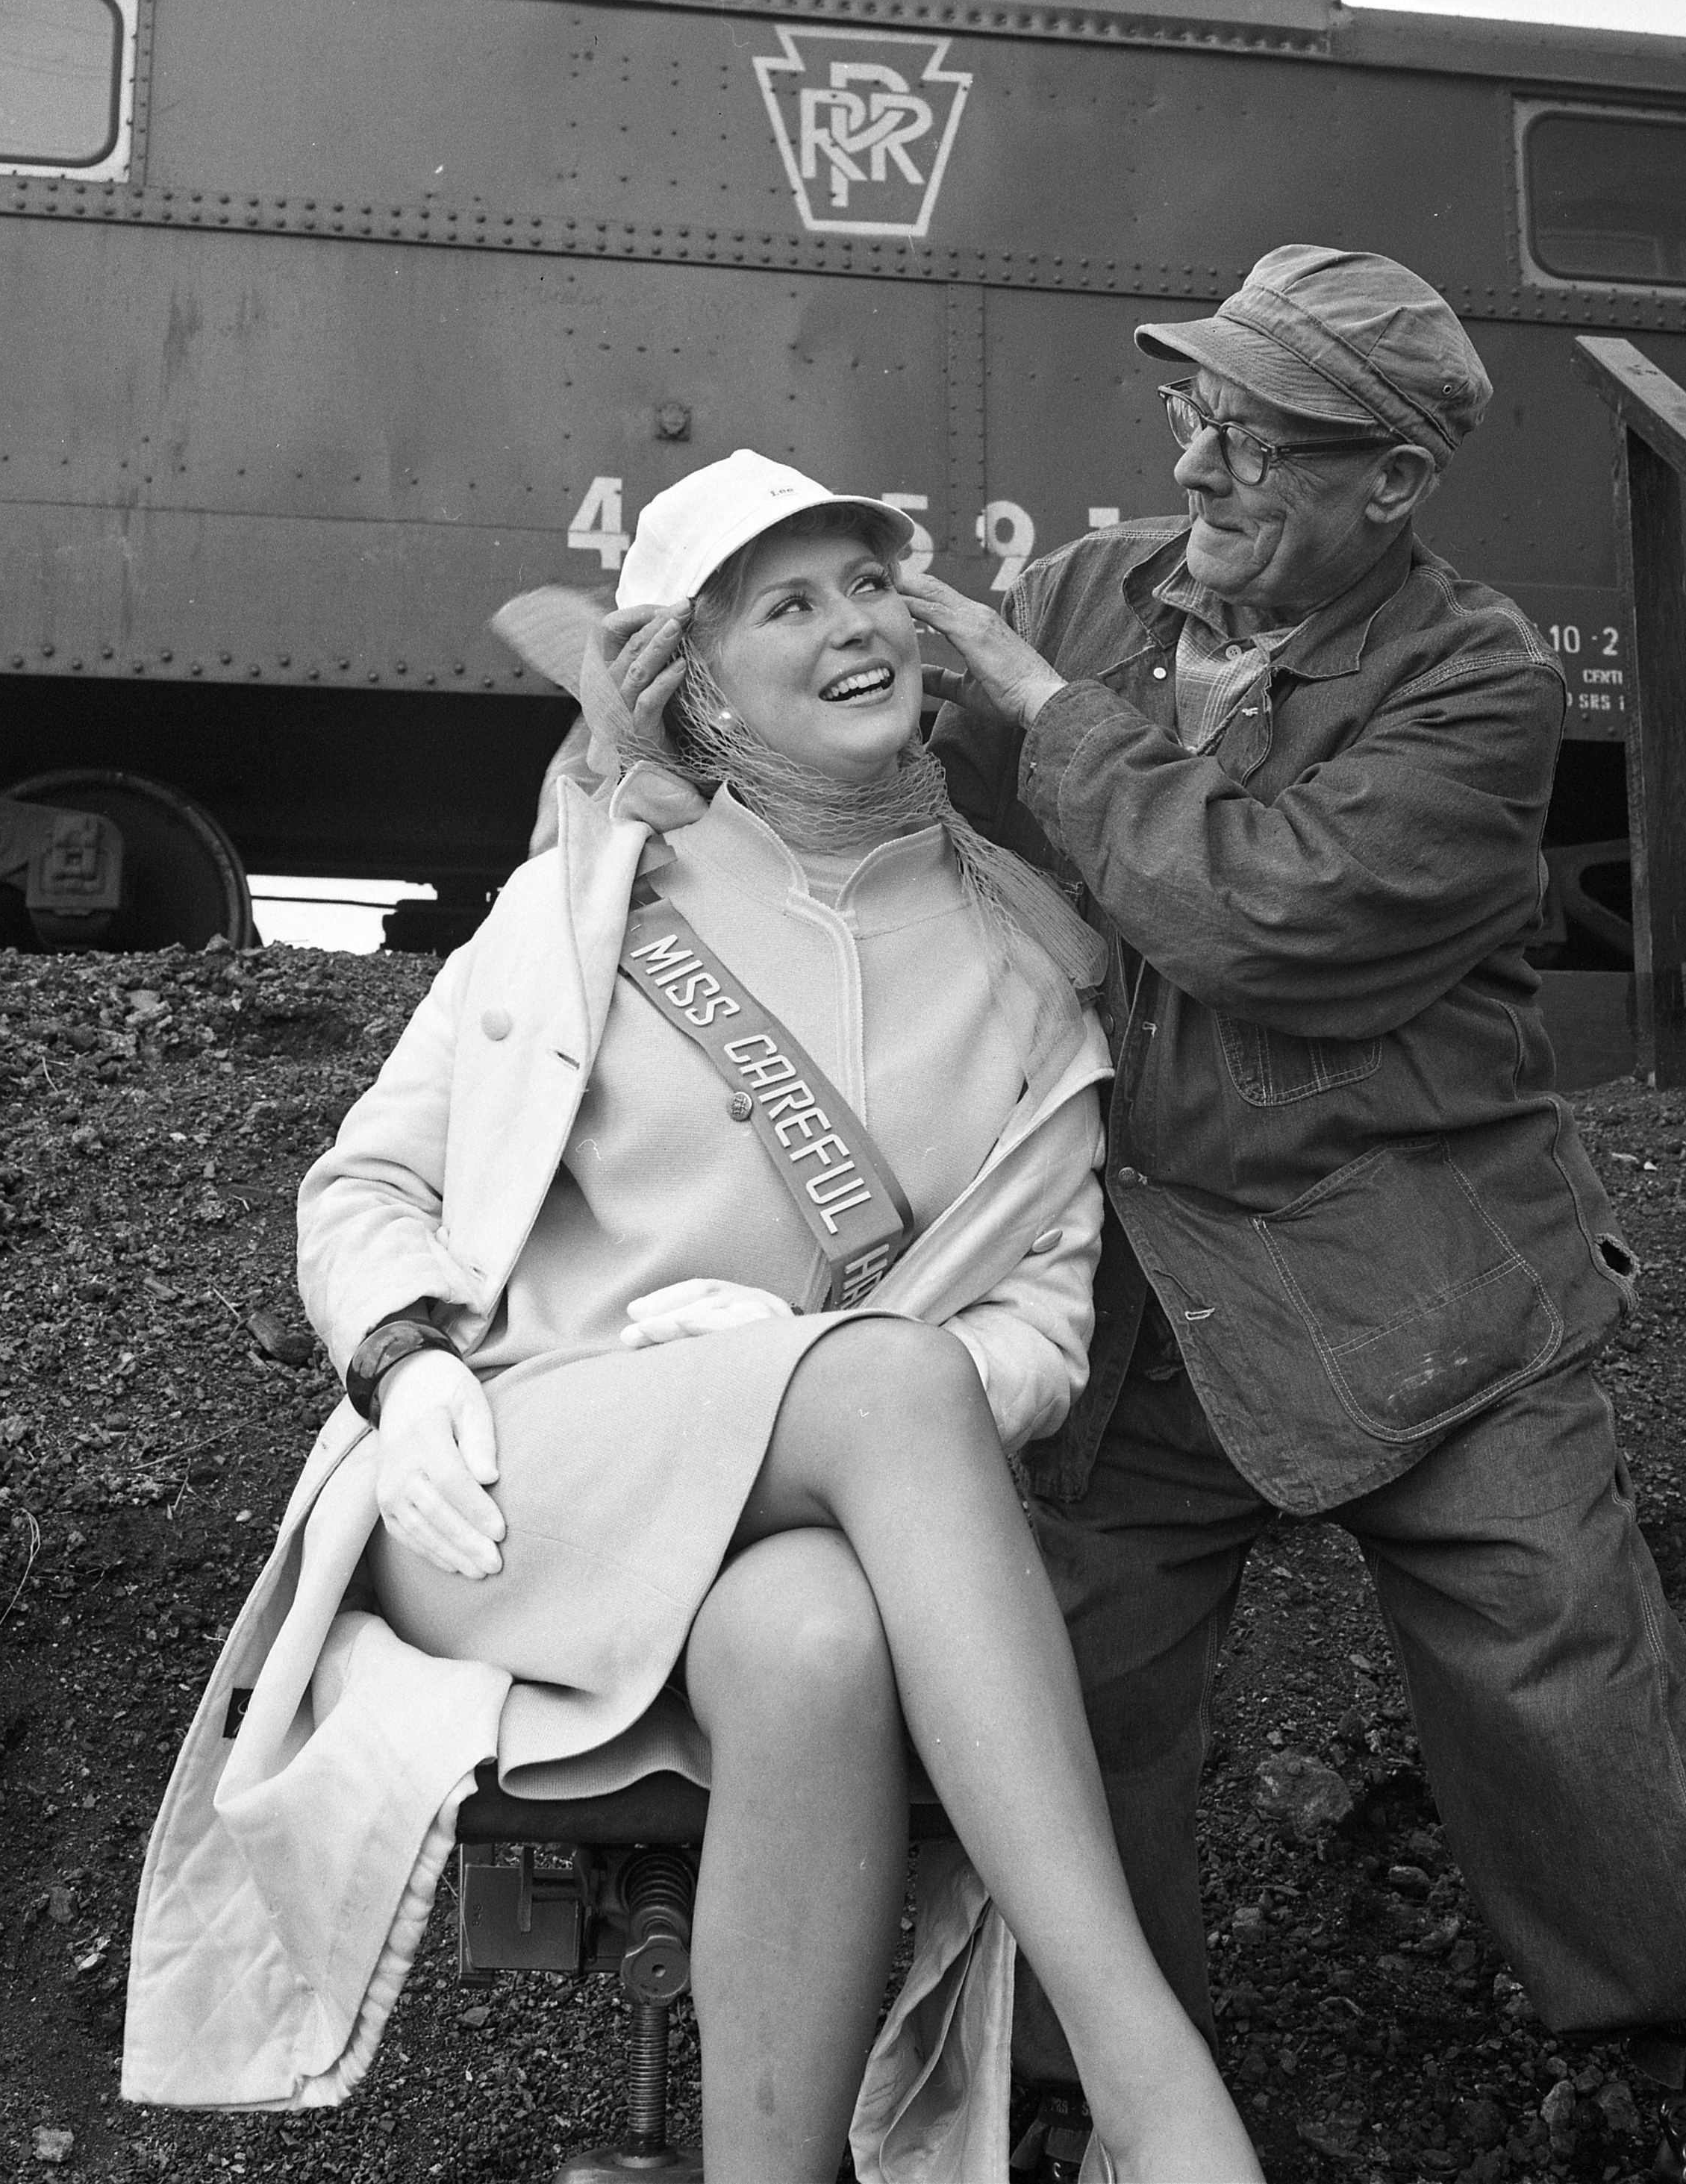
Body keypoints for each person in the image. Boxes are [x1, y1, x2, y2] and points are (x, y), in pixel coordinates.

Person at [122, 452, 1262, 2184]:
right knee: (881, 1392)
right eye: (787, 605)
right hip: (514, 1486)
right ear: (696, 682)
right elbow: (363, 1191)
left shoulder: (1031, 954)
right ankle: (1148, 2077)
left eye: (869, 586)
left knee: (817, 1641)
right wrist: (406, 1364)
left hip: (801, 1522)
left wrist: (804, 1371)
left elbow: (1040, 1320)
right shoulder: (584, 905)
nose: (856, 627)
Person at [901, 248, 1686, 2184]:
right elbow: (923, 780)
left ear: (1393, 479)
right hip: (1164, 1260)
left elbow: (1270, 920)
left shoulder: (1476, 676)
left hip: (1431, 1250)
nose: (1205, 460)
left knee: (1549, 1652)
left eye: (1263, 436)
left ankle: (1681, 2058)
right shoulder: (1093, 600)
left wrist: (1042, 710)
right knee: (1065, 1671)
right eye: (1193, 415)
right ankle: (1096, 2097)